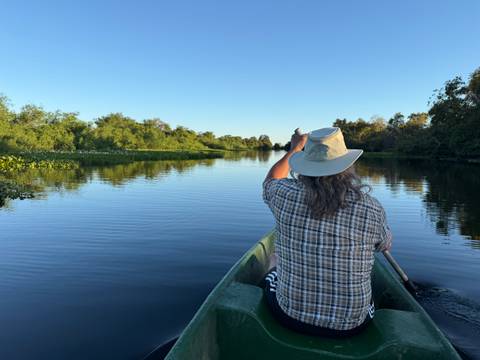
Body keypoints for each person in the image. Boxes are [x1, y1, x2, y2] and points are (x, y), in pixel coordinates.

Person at [262, 127, 392, 337]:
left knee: (273, 260)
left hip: (290, 316)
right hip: (351, 326)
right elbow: (384, 245)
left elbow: (270, 181)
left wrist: (295, 147)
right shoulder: (372, 208)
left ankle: (274, 268)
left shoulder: (283, 194)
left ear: (306, 165)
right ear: (347, 165)